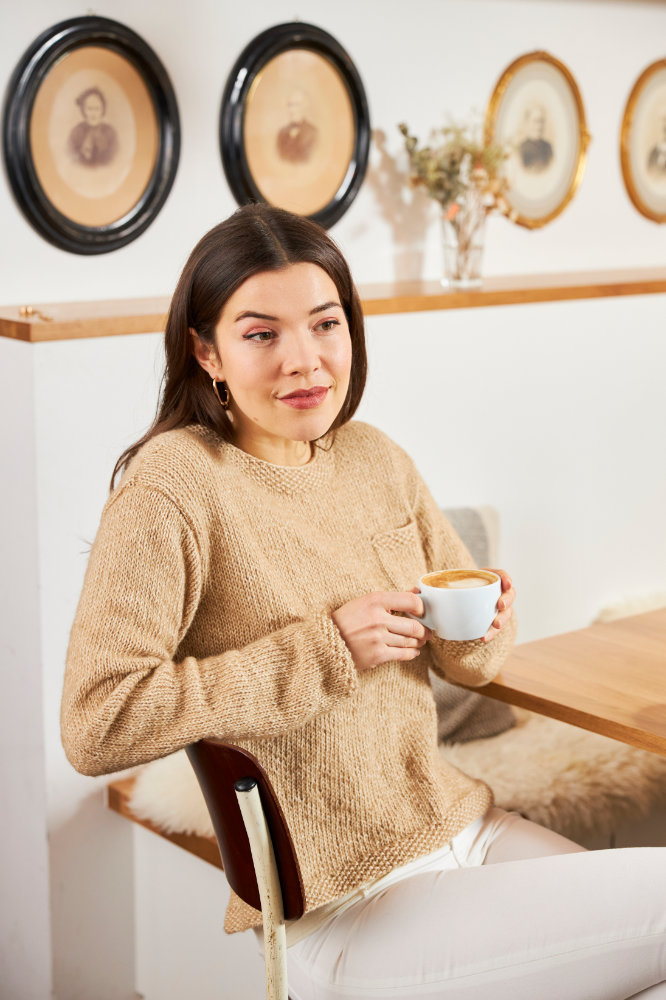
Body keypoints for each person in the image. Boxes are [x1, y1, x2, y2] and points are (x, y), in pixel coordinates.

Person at [61, 204, 666, 1000]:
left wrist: (487, 621)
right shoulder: (173, 488)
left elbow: (471, 666)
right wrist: (324, 651)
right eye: (261, 333)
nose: (305, 360)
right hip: (349, 907)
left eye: (325, 324)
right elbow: (97, 721)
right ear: (205, 349)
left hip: (465, 833)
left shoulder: (373, 456)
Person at [68, 86, 118, 167]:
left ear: (103, 110)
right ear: (83, 110)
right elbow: (71, 159)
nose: (93, 114)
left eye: (97, 108)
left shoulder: (110, 133)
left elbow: (114, 159)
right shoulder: (76, 132)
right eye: (90, 108)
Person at [518, 104, 553, 173]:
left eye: (541, 121)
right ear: (527, 123)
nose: (539, 126)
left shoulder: (548, 147)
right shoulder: (521, 149)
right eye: (535, 121)